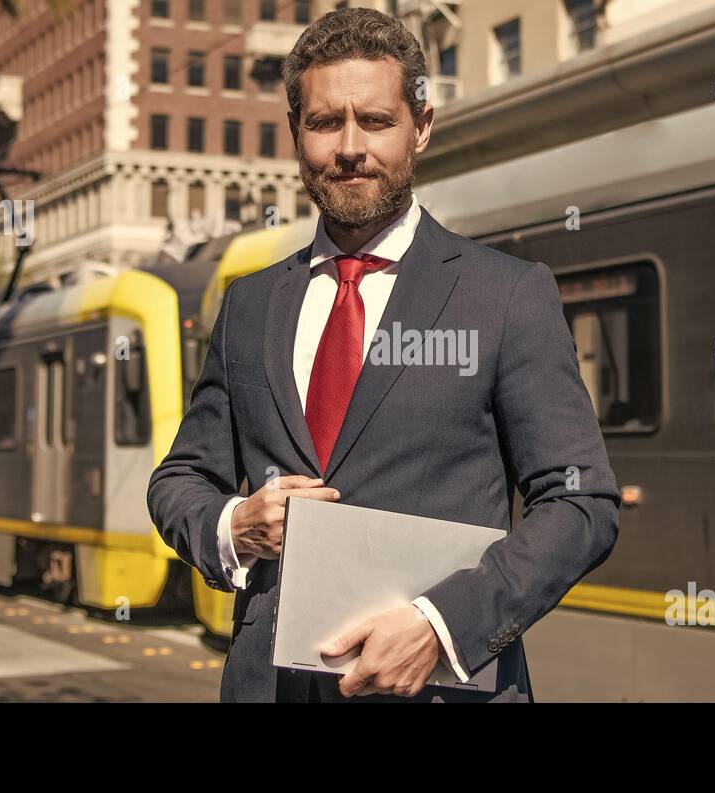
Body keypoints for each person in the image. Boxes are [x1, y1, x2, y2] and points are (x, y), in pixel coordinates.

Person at [147, 7, 618, 703]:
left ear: (421, 126)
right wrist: (232, 524)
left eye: (374, 121)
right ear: (296, 133)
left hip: (439, 687)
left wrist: (442, 624)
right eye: (324, 122)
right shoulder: (249, 306)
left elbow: (581, 504)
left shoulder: (506, 295)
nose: (348, 148)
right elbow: (179, 478)